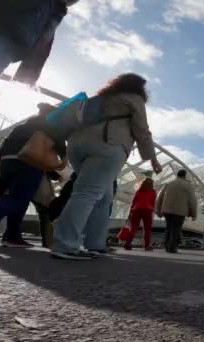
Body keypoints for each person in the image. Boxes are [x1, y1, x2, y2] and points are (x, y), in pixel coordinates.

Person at [52, 73, 162, 260]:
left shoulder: (98, 98)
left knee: (104, 197)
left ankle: (95, 244)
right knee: (86, 193)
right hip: (108, 144)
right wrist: (152, 158)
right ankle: (65, 244)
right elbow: (142, 129)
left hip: (76, 145)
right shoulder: (133, 99)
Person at [0, 104, 65, 247]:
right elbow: (60, 145)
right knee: (17, 200)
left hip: (7, 163)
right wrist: (63, 160)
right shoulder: (50, 126)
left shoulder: (22, 127)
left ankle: (12, 236)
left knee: (18, 200)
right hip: (28, 163)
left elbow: (5, 145)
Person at [0, 1, 78, 113]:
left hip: (8, 39)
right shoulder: (56, 10)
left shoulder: (57, 10)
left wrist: (28, 73)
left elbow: (44, 39)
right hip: (4, 33)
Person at [155, 169, 198, 254]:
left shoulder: (168, 184)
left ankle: (167, 246)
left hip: (167, 210)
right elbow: (192, 200)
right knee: (176, 228)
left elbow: (159, 198)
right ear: (185, 176)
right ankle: (172, 247)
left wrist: (158, 210)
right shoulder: (188, 185)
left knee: (169, 227)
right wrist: (193, 214)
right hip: (180, 211)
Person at [124, 178, 156, 251]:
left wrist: (131, 211)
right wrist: (152, 210)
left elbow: (134, 201)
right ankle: (147, 246)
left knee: (133, 228)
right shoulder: (153, 191)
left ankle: (128, 243)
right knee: (147, 229)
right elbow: (153, 202)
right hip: (147, 210)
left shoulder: (139, 191)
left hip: (136, 210)